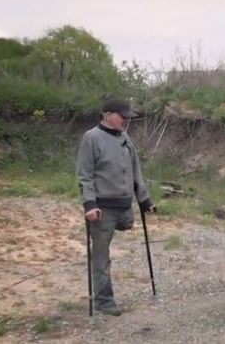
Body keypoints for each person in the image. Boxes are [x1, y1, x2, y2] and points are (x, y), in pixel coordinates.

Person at [76, 98, 155, 316]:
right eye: (123, 117)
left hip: (124, 206)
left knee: (127, 224)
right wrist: (90, 204)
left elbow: (135, 169)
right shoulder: (91, 138)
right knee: (101, 254)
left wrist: (144, 200)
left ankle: (115, 224)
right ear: (107, 114)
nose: (126, 122)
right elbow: (85, 175)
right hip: (102, 208)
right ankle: (104, 300)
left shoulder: (125, 138)